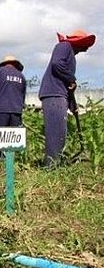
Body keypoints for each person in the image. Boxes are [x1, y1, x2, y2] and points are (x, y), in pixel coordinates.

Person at [38, 29, 96, 168]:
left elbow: (67, 84)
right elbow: (56, 64)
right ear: (80, 43)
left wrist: (72, 104)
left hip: (60, 94)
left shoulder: (70, 54)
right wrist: (72, 78)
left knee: (60, 133)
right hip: (53, 94)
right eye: (85, 45)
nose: (86, 49)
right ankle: (50, 169)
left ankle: (56, 165)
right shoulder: (64, 46)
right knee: (55, 134)